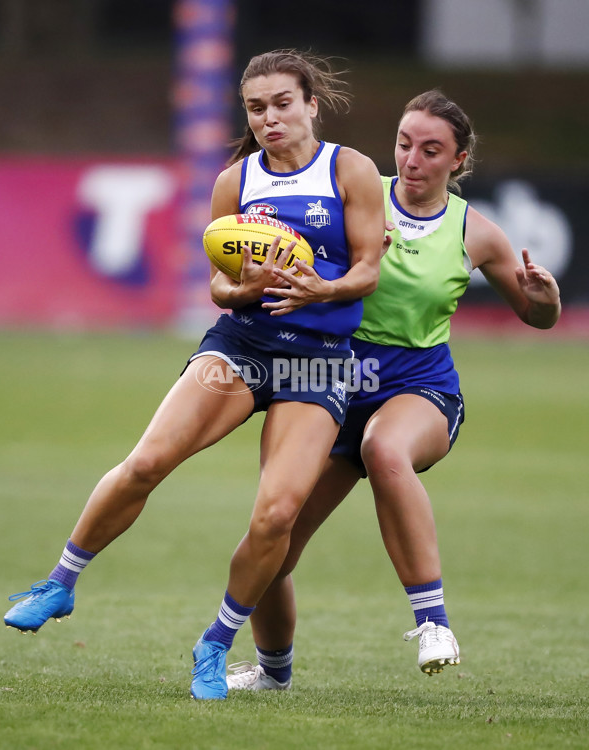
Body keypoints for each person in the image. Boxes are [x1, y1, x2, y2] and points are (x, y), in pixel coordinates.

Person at [3, 49, 386, 701]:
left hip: (318, 362)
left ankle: (214, 643)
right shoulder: (236, 180)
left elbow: (368, 271)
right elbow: (217, 283)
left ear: (312, 104)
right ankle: (59, 584)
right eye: (256, 107)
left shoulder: (349, 170)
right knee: (147, 462)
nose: (269, 118)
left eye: (282, 104)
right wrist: (247, 288)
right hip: (240, 347)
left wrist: (320, 289)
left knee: (276, 516)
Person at [223, 89, 562, 691]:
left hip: (419, 386)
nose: (412, 160)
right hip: (331, 383)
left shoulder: (476, 233)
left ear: (458, 160)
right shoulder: (354, 190)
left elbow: (535, 316)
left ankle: (433, 623)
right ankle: (274, 674)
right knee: (271, 542)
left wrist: (545, 299)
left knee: (385, 449)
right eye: (405, 144)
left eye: (431, 151)